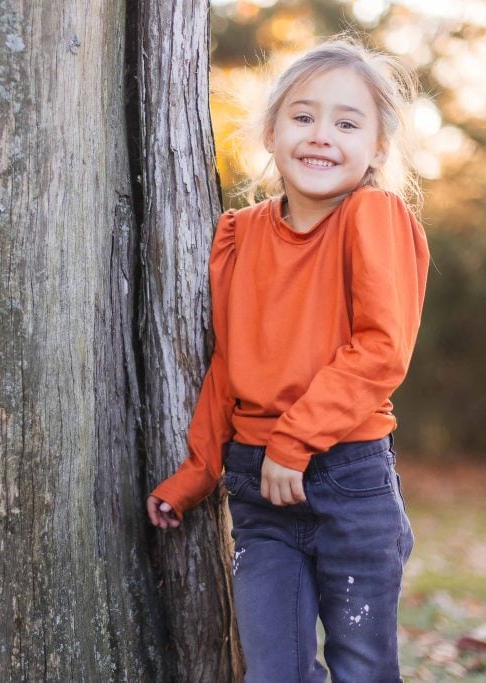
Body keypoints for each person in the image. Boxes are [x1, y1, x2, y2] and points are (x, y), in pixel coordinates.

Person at [146, 37, 430, 683]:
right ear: (271, 133)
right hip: (257, 491)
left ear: (378, 147)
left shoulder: (372, 214)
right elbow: (230, 362)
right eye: (302, 116)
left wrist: (295, 441)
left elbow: (383, 348)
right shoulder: (239, 233)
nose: (321, 135)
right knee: (273, 671)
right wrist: (197, 473)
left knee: (362, 666)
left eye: (347, 122)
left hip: (347, 481)